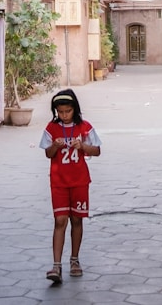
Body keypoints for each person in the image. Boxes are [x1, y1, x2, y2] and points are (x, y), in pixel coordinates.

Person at [41, 89, 101, 284]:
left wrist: (83, 146)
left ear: (74, 109)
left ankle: (74, 260)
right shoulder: (51, 128)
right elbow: (48, 154)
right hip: (58, 182)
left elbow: (97, 150)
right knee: (60, 221)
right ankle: (56, 265)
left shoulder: (85, 127)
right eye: (60, 112)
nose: (64, 115)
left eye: (67, 111)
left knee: (77, 220)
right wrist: (56, 147)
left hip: (80, 182)